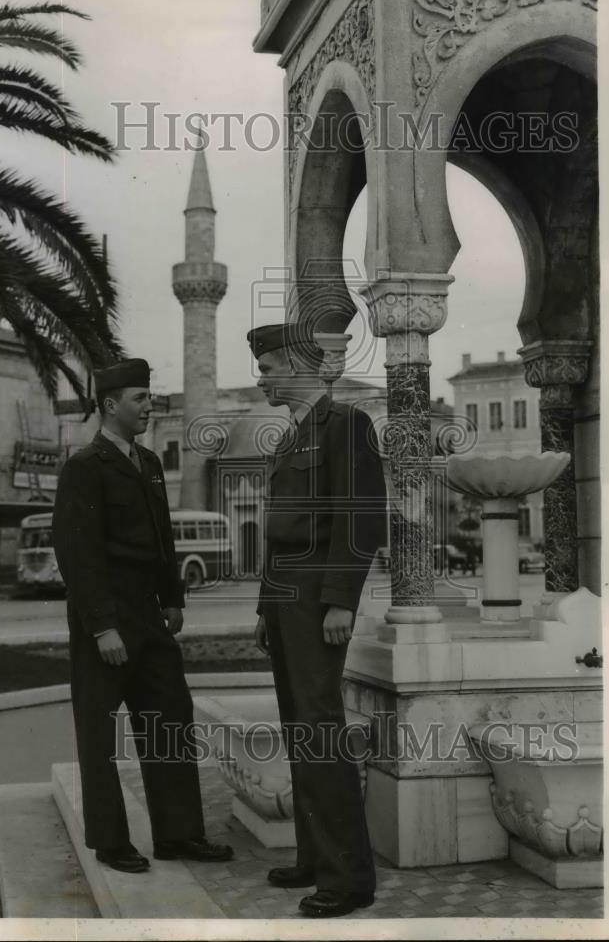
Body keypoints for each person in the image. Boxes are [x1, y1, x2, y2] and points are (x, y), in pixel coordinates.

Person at [52, 358, 233, 874]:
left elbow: (162, 538)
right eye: (139, 398)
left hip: (150, 618)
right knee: (101, 734)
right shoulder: (85, 467)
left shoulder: (149, 463)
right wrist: (103, 625)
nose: (149, 404)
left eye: (149, 397)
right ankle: (111, 842)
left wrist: (173, 597)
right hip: (105, 622)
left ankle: (179, 835)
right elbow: (77, 553)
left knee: (170, 720)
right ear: (110, 406)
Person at [247, 322, 387, 919]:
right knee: (298, 729)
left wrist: (340, 599)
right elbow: (278, 538)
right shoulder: (290, 439)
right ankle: (313, 855)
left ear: (301, 366)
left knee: (321, 730)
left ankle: (348, 876)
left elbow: (359, 519)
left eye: (270, 367)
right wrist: (263, 608)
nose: (263, 377)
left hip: (316, 598)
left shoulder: (346, 425)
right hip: (286, 600)